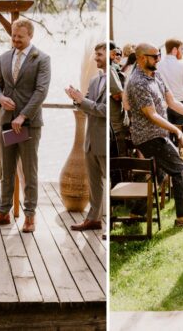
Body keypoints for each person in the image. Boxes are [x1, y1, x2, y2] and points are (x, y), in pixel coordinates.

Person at [125, 43, 183, 228]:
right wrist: (176, 130)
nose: (158, 59)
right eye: (155, 56)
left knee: (158, 174)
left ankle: (135, 213)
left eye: (159, 55)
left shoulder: (156, 75)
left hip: (157, 134)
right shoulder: (138, 83)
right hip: (149, 137)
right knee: (181, 170)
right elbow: (152, 115)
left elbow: (172, 102)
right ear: (141, 58)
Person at [0, 19, 51, 234]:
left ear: (30, 35)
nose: (15, 39)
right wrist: (0, 98)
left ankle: (30, 215)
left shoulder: (42, 59)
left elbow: (41, 91)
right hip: (7, 121)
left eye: (20, 36)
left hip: (28, 124)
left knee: (29, 171)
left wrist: (22, 116)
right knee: (8, 169)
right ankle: (3, 212)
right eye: (13, 35)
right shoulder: (4, 57)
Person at [66, 43, 107, 232]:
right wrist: (77, 99)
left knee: (108, 181)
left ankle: (108, 225)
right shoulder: (94, 80)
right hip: (90, 139)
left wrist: (83, 100)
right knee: (94, 184)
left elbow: (105, 110)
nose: (96, 57)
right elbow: (88, 106)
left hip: (104, 141)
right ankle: (93, 219)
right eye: (95, 54)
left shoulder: (114, 80)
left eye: (99, 54)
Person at [158, 39, 183, 125]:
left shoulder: (158, 65)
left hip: (164, 105)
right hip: (180, 105)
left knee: (167, 132)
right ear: (175, 50)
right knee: (181, 132)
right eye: (181, 49)